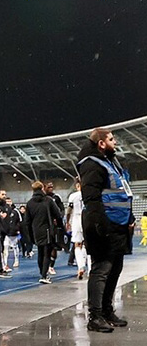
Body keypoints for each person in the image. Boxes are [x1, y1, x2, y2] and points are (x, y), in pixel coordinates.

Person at [78, 128, 133, 333]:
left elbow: (122, 193)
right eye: (111, 139)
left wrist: (130, 218)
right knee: (101, 270)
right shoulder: (92, 164)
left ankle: (107, 311)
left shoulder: (111, 163)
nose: (115, 142)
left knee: (115, 268)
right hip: (103, 225)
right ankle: (95, 316)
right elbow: (91, 199)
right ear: (101, 143)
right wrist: (100, 226)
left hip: (118, 224)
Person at [24, 181, 62, 284]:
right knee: (47, 253)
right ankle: (44, 275)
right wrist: (59, 226)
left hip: (36, 230)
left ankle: (42, 272)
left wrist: (30, 234)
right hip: (47, 229)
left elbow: (27, 221)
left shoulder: (30, 203)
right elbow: (58, 214)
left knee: (40, 252)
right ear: (42, 189)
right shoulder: (48, 200)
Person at [68, 179, 90, 279]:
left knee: (77, 244)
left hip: (76, 219)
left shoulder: (73, 196)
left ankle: (80, 266)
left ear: (77, 186)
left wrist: (67, 221)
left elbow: (69, 210)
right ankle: (90, 269)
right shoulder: (89, 194)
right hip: (87, 218)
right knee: (88, 243)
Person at [44, 182, 65, 275]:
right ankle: (44, 266)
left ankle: (51, 266)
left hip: (55, 226)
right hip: (44, 225)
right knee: (45, 246)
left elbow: (62, 209)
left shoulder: (56, 198)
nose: (51, 188)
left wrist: (59, 218)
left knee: (54, 246)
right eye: (49, 187)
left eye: (52, 187)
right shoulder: (42, 198)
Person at [3, 199, 22, 269]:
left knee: (15, 247)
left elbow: (20, 221)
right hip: (5, 233)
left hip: (14, 232)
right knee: (5, 248)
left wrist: (17, 229)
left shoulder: (16, 211)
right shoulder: (3, 210)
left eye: (9, 201)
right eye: (7, 201)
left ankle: (16, 260)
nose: (8, 203)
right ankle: (5, 263)